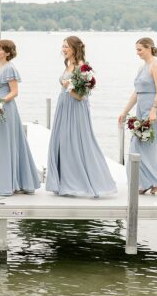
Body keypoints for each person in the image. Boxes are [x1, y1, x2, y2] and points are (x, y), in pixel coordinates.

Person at [45, 36, 117, 198]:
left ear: (75, 48)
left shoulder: (82, 68)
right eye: (62, 46)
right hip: (64, 107)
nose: (63, 49)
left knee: (76, 143)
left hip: (75, 109)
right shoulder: (69, 64)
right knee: (61, 142)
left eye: (66, 47)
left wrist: (68, 86)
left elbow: (81, 96)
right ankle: (63, 182)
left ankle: (85, 182)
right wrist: (67, 87)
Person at [0, 39, 40, 196]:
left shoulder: (10, 68)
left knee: (3, 145)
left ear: (8, 53)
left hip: (5, 110)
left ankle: (1, 182)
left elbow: (14, 92)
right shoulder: (0, 66)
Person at [117, 37, 157, 194]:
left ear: (149, 48)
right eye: (136, 49)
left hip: (154, 107)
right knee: (137, 145)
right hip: (141, 108)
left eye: (140, 49)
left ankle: (154, 180)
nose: (137, 53)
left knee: (149, 144)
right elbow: (137, 92)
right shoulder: (141, 68)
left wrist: (153, 109)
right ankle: (145, 181)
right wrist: (124, 112)